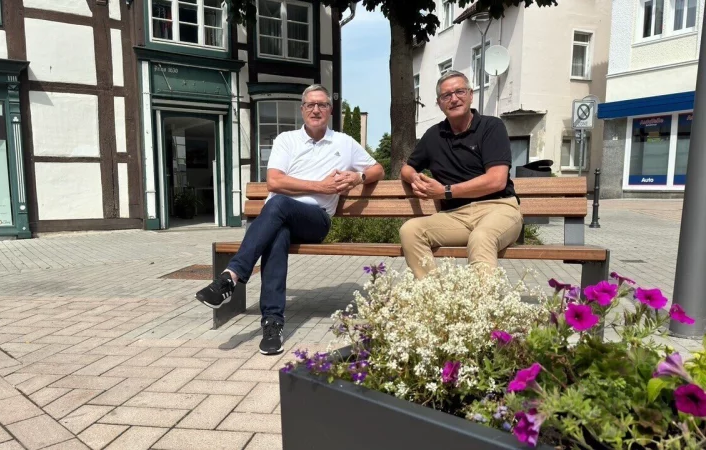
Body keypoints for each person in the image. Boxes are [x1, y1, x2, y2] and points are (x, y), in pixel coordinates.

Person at [195, 84, 384, 355]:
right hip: (280, 218)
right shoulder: (287, 140)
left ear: (330, 110)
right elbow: (274, 181)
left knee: (279, 204)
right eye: (310, 105)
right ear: (302, 110)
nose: (316, 109)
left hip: (315, 221)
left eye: (321, 104)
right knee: (277, 234)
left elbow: (377, 168)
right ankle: (272, 324)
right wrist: (322, 187)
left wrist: (358, 177)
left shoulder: (344, 142)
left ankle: (231, 277)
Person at [399, 70, 523, 279]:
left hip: (499, 208)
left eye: (460, 92)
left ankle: (481, 308)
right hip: (455, 216)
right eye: (446, 95)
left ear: (470, 95)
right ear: (439, 103)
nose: (454, 98)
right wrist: (413, 178)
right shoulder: (433, 135)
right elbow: (407, 167)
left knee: (481, 237)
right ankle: (436, 299)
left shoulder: (491, 127)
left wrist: (445, 191)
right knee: (410, 230)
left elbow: (497, 180)